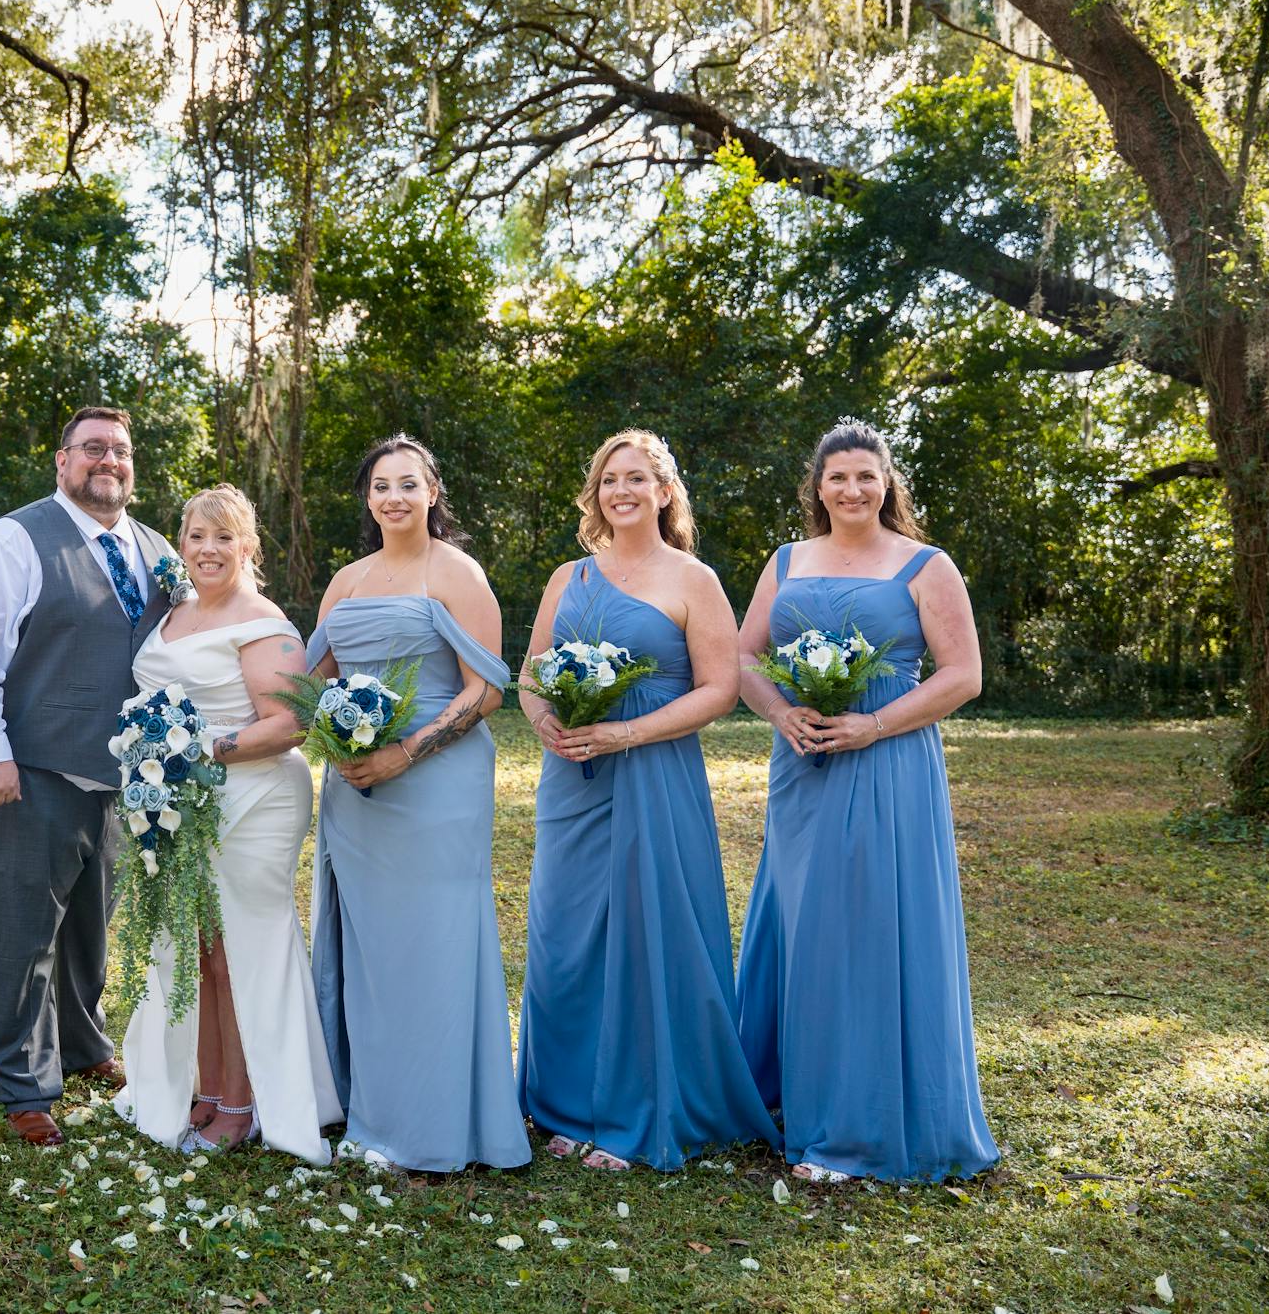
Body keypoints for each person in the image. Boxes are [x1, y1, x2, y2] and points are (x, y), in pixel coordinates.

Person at [735, 419, 999, 1183]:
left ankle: (857, 1125)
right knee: (802, 920)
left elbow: (962, 675)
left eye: (867, 476)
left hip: (887, 763)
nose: (853, 489)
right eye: (838, 477)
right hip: (803, 761)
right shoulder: (786, 561)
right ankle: (788, 1093)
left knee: (867, 927)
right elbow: (745, 656)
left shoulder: (925, 564)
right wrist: (781, 712)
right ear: (817, 487)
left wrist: (874, 723)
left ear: (888, 484)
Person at [514, 430, 779, 1170]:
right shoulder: (569, 576)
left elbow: (720, 690)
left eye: (636, 478)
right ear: (596, 494)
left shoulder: (694, 580)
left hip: (654, 775)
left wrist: (623, 733)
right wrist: (548, 727)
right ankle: (565, 1103)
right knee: (565, 935)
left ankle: (637, 1110)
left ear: (665, 492)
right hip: (573, 776)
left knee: (645, 934)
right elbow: (532, 671)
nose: (620, 490)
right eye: (608, 479)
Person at [0, 406, 173, 1147]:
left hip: (118, 777)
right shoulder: (15, 539)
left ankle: (84, 1048)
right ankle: (23, 1082)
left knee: (88, 931)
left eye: (120, 450)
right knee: (20, 932)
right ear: (61, 460)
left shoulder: (154, 547)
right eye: (92, 449)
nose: (108, 461)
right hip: (29, 769)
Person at [305, 435, 531, 1173]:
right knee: (371, 951)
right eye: (380, 486)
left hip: (437, 781)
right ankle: (372, 1109)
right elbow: (308, 680)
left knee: (431, 946)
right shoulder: (347, 579)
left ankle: (433, 1127)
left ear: (433, 493)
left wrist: (407, 750)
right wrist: (337, 744)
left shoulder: (457, 572)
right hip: (356, 783)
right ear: (367, 498)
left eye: (408, 484)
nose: (394, 497)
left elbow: (486, 688)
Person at [113, 485, 342, 1165]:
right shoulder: (174, 613)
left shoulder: (262, 622)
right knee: (202, 952)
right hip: (181, 801)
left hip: (253, 800)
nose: (207, 549)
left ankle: (244, 1103)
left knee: (245, 948)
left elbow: (290, 724)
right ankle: (207, 1087)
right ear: (180, 544)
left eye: (223, 537)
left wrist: (199, 747)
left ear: (248, 547)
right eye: (195, 536)